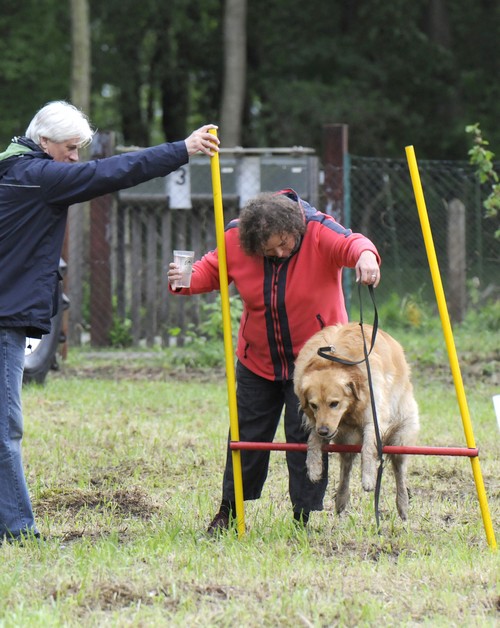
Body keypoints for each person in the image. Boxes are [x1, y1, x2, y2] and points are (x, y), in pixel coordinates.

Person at [0, 100, 219, 544]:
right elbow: (111, 172)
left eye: (79, 148)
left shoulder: (8, 169)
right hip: (3, 318)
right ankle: (19, 530)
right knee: (7, 428)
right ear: (44, 142)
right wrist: (183, 148)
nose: (75, 157)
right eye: (70, 148)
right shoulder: (37, 176)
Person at [167, 189, 381, 534]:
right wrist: (183, 279)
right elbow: (209, 271)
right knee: (245, 436)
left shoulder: (317, 229)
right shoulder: (237, 238)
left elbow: (352, 243)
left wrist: (366, 256)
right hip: (258, 359)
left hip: (315, 364)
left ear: (297, 230)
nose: (281, 253)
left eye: (286, 244)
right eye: (271, 250)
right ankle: (229, 511)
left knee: (307, 437)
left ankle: (304, 517)